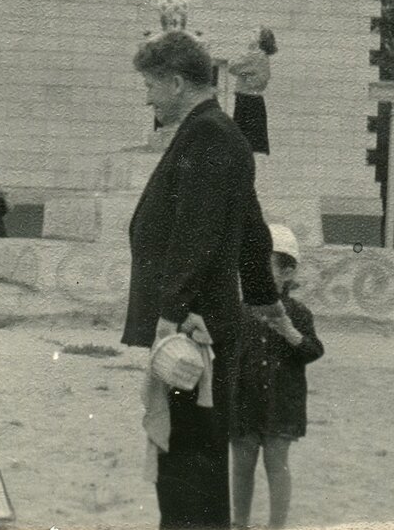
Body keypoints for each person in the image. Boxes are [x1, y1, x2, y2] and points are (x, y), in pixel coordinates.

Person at [123, 30, 288, 529]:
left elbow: (196, 233)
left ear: (175, 82)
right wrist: (266, 299)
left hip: (195, 328)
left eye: (150, 85)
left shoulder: (210, 134)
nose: (147, 96)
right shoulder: (209, 131)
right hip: (204, 320)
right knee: (193, 455)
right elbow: (252, 226)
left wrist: (169, 316)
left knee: (188, 457)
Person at [231, 223, 325, 530]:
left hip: (280, 402)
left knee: (276, 465)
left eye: (263, 266)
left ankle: (276, 526)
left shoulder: (298, 313)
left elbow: (313, 351)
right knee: (242, 466)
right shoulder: (238, 310)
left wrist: (289, 332)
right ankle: (240, 522)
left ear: (287, 273)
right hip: (243, 399)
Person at [228, 26, 277, 155]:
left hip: (247, 101)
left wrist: (243, 75)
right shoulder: (262, 56)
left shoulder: (255, 55)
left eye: (255, 32)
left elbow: (232, 66)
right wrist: (246, 75)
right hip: (253, 101)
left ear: (261, 39)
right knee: (251, 146)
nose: (251, 33)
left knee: (242, 144)